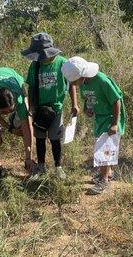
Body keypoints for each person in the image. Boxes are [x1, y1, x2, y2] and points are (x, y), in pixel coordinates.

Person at [62, 57, 126, 194]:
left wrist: (114, 124)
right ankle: (108, 173)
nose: (73, 84)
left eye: (74, 81)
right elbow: (88, 99)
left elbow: (116, 101)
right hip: (99, 118)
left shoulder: (101, 80)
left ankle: (104, 181)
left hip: (110, 117)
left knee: (105, 149)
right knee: (102, 146)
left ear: (81, 76)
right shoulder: (83, 83)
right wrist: (87, 109)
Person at [21, 32, 79, 179]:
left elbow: (72, 83)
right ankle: (41, 167)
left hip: (56, 108)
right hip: (39, 109)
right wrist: (31, 107)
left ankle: (58, 167)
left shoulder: (62, 63)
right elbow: (32, 86)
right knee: (40, 137)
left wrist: (75, 104)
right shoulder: (35, 65)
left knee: (55, 138)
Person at [0, 67, 34, 179]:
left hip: (13, 77)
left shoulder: (19, 98)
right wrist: (10, 129)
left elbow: (27, 128)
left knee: (27, 120)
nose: (7, 112)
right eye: (4, 112)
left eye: (10, 110)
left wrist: (28, 157)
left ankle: (30, 160)